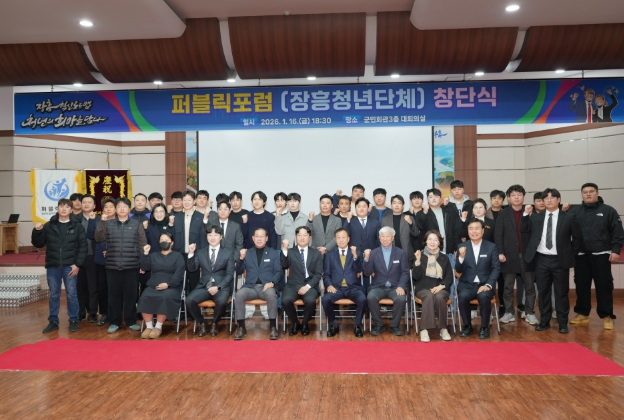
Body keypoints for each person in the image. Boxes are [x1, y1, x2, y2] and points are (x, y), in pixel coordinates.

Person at [522, 188, 583, 334]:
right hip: (541, 259)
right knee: (543, 292)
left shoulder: (568, 217)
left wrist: (569, 254)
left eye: (552, 197)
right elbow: (524, 230)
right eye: (546, 198)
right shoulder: (536, 217)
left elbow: (577, 238)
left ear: (558, 200)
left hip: (560, 260)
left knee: (561, 293)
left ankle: (562, 322)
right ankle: (544, 321)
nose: (549, 200)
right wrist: (525, 214)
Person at [568, 183, 624, 329]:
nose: (588, 194)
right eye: (585, 192)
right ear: (581, 194)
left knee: (604, 286)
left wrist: (615, 250)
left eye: (591, 191)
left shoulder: (608, 210)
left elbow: (618, 232)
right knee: (581, 285)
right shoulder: (575, 211)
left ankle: (607, 316)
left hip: (601, 254)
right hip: (581, 255)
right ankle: (582, 313)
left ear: (597, 193)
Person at [32, 198, 88, 333]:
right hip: (53, 265)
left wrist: (78, 264)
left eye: (67, 207)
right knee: (54, 295)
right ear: (57, 209)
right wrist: (37, 231)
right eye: (61, 206)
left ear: (71, 210)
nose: (64, 209)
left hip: (70, 266)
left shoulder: (77, 226)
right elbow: (39, 243)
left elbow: (83, 247)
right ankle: (53, 321)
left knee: (72, 294)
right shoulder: (49, 225)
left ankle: (73, 319)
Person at [95, 197, 147, 333]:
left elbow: (142, 245)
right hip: (113, 266)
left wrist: (143, 263)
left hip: (132, 266)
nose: (122, 209)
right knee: (113, 296)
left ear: (129, 209)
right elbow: (98, 238)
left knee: (131, 296)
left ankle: (131, 321)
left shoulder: (136, 224)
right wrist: (102, 221)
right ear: (115, 209)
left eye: (124, 206)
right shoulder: (108, 224)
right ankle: (114, 321)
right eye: (119, 206)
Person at [494, 185, 538, 325]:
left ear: (523, 197)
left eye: (519, 194)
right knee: (507, 287)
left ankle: (529, 312)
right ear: (508, 198)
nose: (516, 197)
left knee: (529, 287)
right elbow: (498, 235)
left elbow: (535, 234)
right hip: (508, 255)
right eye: (513, 195)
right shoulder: (503, 214)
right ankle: (508, 312)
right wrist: (500, 252)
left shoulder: (530, 212)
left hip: (527, 255)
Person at [185, 225, 235, 337]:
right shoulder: (200, 252)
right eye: (210, 235)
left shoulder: (228, 252)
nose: (212, 237)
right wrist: (191, 254)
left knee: (221, 302)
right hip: (204, 286)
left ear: (221, 237)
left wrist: (218, 287)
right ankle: (203, 323)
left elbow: (230, 274)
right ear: (206, 237)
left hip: (221, 287)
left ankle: (214, 324)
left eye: (215, 235)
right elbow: (192, 269)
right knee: (189, 300)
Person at [234, 227, 283, 340]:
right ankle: (241, 327)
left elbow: (279, 271)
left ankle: (273, 327)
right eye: (257, 236)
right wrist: (241, 258)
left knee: (271, 295)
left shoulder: (273, 253)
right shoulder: (247, 253)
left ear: (266, 238)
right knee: (239, 295)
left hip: (266, 287)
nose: (259, 239)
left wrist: (272, 282)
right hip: (250, 287)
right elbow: (239, 271)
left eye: (262, 236)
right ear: (253, 238)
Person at [456, 219, 500, 339]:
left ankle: (484, 327)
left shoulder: (491, 247)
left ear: (483, 230)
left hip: (485, 284)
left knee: (484, 296)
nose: (474, 231)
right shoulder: (462, 246)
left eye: (477, 228)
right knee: (463, 296)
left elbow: (496, 268)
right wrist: (461, 257)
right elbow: (458, 270)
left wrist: (488, 285)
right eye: (471, 229)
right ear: (468, 231)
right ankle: (467, 326)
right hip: (467, 284)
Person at [363, 226, 410, 336]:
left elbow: (405, 272)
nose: (385, 239)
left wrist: (401, 286)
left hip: (395, 287)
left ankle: (394, 326)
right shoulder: (374, 253)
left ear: (392, 238)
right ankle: (379, 325)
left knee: (401, 299)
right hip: (378, 286)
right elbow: (367, 272)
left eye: (387, 236)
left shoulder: (400, 253)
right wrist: (366, 258)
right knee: (370, 297)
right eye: (382, 236)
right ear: (379, 238)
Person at [138, 232, 185, 339]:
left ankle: (158, 327)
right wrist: (145, 253)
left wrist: (168, 284)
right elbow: (144, 267)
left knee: (165, 297)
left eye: (167, 240)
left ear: (172, 243)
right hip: (153, 286)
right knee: (144, 297)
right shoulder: (153, 255)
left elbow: (179, 274)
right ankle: (149, 326)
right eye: (162, 240)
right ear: (159, 242)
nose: (164, 242)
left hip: (171, 286)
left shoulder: (178, 256)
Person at [322, 229, 366, 338]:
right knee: (325, 299)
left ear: (348, 239)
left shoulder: (356, 253)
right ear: (335, 240)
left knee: (362, 299)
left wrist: (355, 256)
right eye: (338, 237)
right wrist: (329, 285)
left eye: (343, 237)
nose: (341, 240)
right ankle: (334, 325)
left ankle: (357, 326)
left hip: (353, 287)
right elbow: (326, 274)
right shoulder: (330, 255)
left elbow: (359, 270)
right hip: (336, 288)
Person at [280, 226, 323, 336]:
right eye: (299, 235)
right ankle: (295, 323)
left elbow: (318, 274)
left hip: (310, 285)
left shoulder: (316, 253)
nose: (302, 238)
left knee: (310, 301)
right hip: (293, 284)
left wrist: (307, 286)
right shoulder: (290, 251)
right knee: (285, 301)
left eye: (305, 235)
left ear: (310, 237)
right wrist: (285, 248)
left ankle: (305, 323)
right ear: (296, 237)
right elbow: (284, 265)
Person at [412, 230, 453, 342]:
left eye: (435, 240)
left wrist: (441, 286)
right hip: (423, 288)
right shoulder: (419, 255)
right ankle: (424, 329)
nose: (432, 242)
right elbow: (416, 276)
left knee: (439, 297)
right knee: (429, 296)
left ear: (439, 242)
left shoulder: (444, 258)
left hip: (440, 288)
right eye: (430, 239)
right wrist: (418, 261)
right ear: (425, 241)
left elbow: (449, 276)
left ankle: (443, 328)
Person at [172, 191, 211, 291]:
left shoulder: (201, 217)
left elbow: (204, 237)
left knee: (194, 282)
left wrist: (203, 257)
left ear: (194, 201)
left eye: (189, 200)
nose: (186, 202)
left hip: (195, 255)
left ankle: (192, 300)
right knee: (180, 282)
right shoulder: (176, 217)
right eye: (184, 200)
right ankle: (182, 301)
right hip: (180, 254)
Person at [87, 198, 115, 326]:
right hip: (101, 260)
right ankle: (104, 313)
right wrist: (93, 221)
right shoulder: (98, 221)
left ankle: (116, 313)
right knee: (102, 288)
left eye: (111, 206)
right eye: (106, 207)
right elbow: (92, 235)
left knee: (115, 288)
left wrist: (111, 250)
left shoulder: (120, 222)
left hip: (116, 260)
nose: (108, 209)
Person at [77, 194, 98, 322]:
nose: (86, 204)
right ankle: (80, 312)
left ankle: (93, 312)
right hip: (78, 257)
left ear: (94, 206)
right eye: (84, 202)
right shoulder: (75, 219)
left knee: (92, 286)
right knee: (80, 286)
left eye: (89, 202)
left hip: (93, 256)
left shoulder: (99, 219)